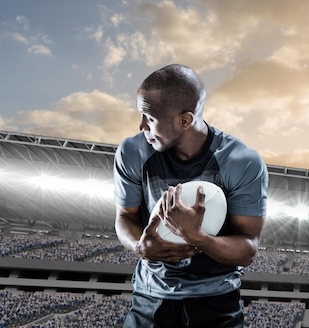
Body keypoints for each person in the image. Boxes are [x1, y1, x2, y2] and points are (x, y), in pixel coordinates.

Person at [113, 63, 268, 328]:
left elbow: (248, 249)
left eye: (149, 118)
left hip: (217, 302)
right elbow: (124, 216)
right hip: (150, 300)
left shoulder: (241, 161)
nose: (141, 126)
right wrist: (139, 245)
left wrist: (197, 237)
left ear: (184, 120)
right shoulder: (132, 152)